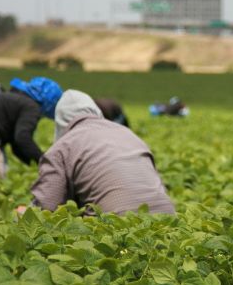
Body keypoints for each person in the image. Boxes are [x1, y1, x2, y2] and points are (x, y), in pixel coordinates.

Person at [30, 90, 175, 215]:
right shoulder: (128, 134)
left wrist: (23, 213)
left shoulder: (62, 147)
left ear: (60, 122)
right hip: (167, 222)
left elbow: (46, 209)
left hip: (118, 227)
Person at [0, 77, 63, 178]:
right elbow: (22, 138)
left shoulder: (15, 99)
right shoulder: (31, 106)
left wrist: (38, 163)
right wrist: (45, 162)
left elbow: (16, 147)